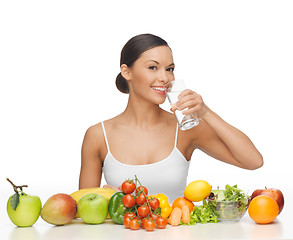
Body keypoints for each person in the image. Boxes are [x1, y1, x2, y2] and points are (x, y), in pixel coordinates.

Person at [79, 33, 263, 203]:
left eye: (170, 69)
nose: (164, 77)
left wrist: (206, 112)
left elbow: (253, 161)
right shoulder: (98, 135)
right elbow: (83, 207)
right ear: (127, 72)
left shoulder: (186, 127)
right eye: (153, 67)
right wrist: (111, 200)